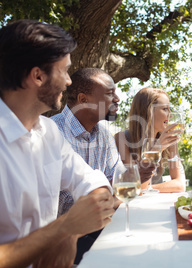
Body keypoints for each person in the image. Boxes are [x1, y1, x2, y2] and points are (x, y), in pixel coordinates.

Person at [0, 19, 115, 267]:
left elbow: (94, 181)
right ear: (38, 76)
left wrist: (70, 235)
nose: (69, 81)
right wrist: (63, 229)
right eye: (64, 71)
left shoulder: (49, 132)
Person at [51, 68, 122, 264]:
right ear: (83, 100)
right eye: (109, 93)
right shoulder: (51, 133)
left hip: (100, 228)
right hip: (57, 241)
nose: (117, 99)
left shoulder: (105, 135)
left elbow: (116, 186)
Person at [114, 87, 186, 192]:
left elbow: (180, 185)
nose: (170, 115)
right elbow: (134, 186)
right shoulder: (122, 139)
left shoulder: (168, 140)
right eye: (165, 109)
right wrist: (156, 149)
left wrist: (150, 189)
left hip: (154, 201)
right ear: (148, 111)